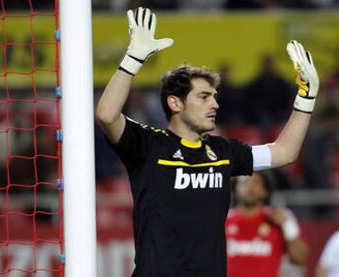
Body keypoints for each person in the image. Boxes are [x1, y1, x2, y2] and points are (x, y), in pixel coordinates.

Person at [96, 7, 319, 277]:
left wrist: (305, 100)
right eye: (204, 97)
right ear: (175, 102)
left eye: (214, 96)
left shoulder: (223, 151)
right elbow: (107, 115)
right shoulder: (149, 145)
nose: (215, 104)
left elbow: (284, 152)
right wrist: (133, 59)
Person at [226, 172, 308, 277]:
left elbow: (301, 259)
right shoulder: (223, 220)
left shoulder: (279, 217)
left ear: (265, 191)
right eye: (245, 183)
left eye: (255, 183)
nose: (250, 187)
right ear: (235, 190)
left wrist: (287, 227)